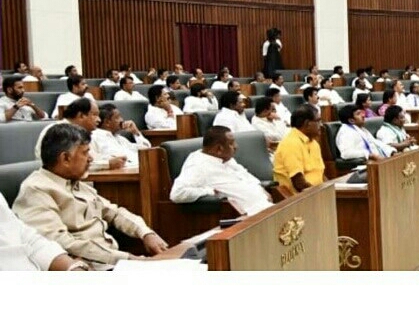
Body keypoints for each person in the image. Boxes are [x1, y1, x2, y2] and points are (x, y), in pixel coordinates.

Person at [14, 123, 169, 269]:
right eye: (85, 152)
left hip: (113, 261)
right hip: (88, 267)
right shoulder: (35, 190)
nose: (91, 158)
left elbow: (113, 212)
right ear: (65, 158)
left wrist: (145, 232)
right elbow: (60, 243)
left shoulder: (74, 181)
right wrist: (128, 259)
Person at [171, 126, 273, 215]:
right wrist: (208, 191)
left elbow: (245, 174)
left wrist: (260, 188)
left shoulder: (227, 158)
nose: (236, 146)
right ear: (219, 149)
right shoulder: (198, 165)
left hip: (265, 208)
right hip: (246, 216)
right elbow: (177, 193)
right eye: (232, 143)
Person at [273, 106, 327, 191]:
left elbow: (320, 174)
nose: (321, 125)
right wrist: (322, 194)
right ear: (307, 124)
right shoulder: (290, 143)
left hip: (317, 192)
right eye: (318, 121)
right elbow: (299, 184)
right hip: (299, 198)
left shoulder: (314, 143)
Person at [91, 103, 151, 168]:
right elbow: (92, 163)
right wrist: (108, 164)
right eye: (117, 117)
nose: (122, 120)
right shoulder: (95, 137)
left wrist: (136, 132)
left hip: (140, 168)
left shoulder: (119, 138)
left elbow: (146, 149)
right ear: (107, 122)